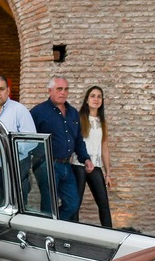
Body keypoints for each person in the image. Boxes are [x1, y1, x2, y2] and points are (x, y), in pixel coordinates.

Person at [31, 76, 92, 220]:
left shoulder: (72, 112)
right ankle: (46, 234)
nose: (63, 92)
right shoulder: (38, 112)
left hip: (66, 165)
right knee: (48, 206)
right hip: (47, 164)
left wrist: (86, 159)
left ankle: (51, 225)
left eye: (66, 89)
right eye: (59, 89)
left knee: (72, 204)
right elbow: (28, 138)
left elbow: (78, 139)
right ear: (50, 91)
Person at [0, 75, 36, 206]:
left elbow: (31, 140)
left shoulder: (19, 110)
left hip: (15, 172)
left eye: (1, 89)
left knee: (15, 213)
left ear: (8, 91)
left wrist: (6, 148)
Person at [72, 86, 113, 227]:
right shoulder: (79, 118)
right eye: (93, 96)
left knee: (104, 203)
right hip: (79, 165)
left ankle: (109, 234)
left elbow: (105, 148)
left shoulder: (102, 122)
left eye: (99, 96)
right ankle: (72, 233)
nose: (96, 99)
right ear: (87, 99)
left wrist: (108, 173)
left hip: (96, 166)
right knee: (75, 204)